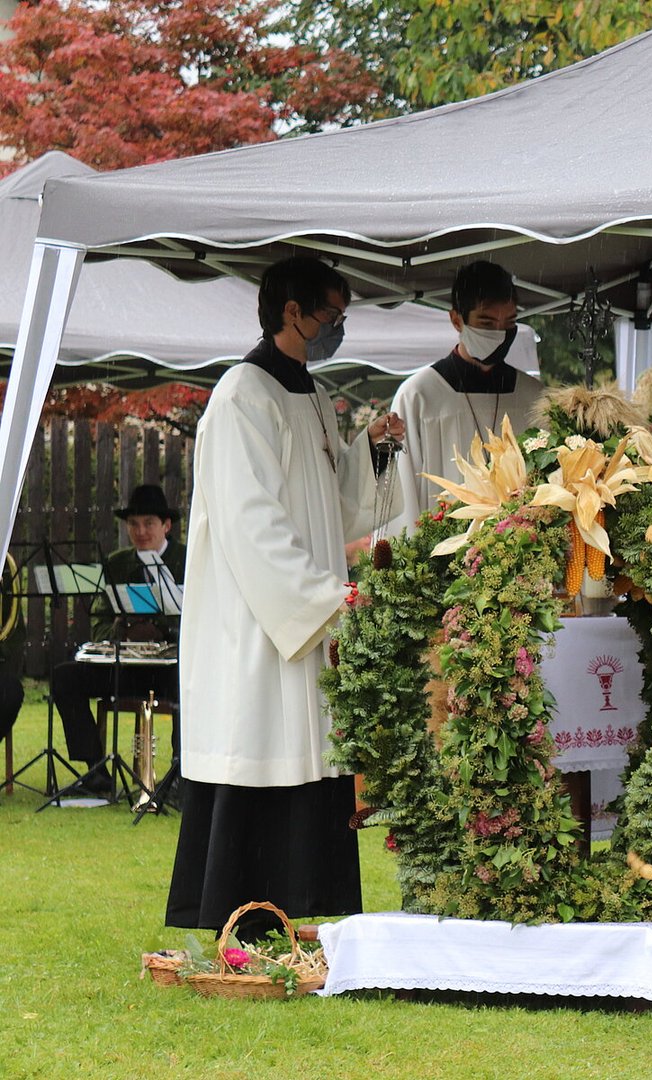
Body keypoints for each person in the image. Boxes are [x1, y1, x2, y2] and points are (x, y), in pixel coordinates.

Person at [166, 256, 405, 939]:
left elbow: (333, 505)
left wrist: (370, 452)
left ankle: (299, 912)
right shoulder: (242, 396)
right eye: (330, 316)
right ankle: (243, 916)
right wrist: (321, 597)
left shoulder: (312, 395)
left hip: (305, 614)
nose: (337, 329)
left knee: (306, 755)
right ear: (291, 312)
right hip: (258, 622)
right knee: (261, 747)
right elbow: (251, 522)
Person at [387, 260, 545, 534]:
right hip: (442, 549)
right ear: (456, 320)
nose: (499, 334)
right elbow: (403, 495)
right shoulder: (418, 396)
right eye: (487, 322)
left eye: (509, 322)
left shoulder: (533, 396)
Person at [49, 484, 186, 798]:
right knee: (65, 676)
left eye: (149, 523)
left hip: (169, 668)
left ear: (166, 525)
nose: (140, 531)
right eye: (133, 524)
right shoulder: (116, 563)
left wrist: (162, 630)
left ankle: (181, 776)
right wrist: (122, 632)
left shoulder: (186, 559)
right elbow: (98, 622)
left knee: (191, 681)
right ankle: (96, 771)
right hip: (125, 665)